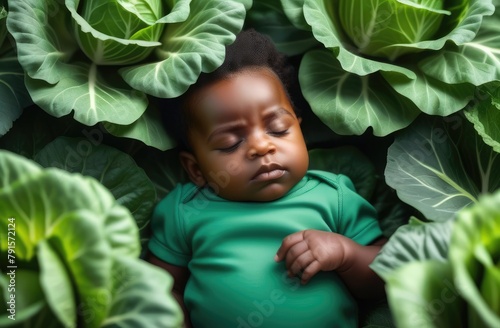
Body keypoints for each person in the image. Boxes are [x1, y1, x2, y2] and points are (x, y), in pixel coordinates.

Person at [147, 29, 387, 328]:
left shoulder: (334, 196)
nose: (262, 147)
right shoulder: (184, 210)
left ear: (300, 131)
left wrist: (345, 254)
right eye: (230, 143)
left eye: (278, 129)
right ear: (195, 169)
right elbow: (159, 288)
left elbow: (385, 279)